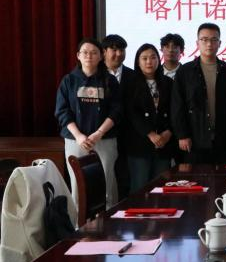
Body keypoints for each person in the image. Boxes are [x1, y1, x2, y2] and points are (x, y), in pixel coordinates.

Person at [55, 38, 120, 209]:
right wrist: (78, 136)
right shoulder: (69, 80)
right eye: (85, 52)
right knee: (78, 187)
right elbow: (62, 111)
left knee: (106, 186)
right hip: (76, 141)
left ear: (101, 56)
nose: (89, 56)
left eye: (93, 53)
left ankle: (108, 221)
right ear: (78, 55)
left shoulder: (110, 81)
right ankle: (80, 223)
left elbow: (117, 111)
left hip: (104, 139)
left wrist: (99, 133)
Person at [171, 23, 226, 164]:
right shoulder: (185, 71)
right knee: (195, 177)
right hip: (194, 140)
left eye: (214, 40)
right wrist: (182, 135)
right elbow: (177, 106)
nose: (209, 44)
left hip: (223, 140)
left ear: (220, 43)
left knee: (223, 177)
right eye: (204, 39)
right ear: (197, 43)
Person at [125, 44, 174, 192]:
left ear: (159, 60)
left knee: (161, 188)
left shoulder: (168, 83)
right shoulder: (130, 83)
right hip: (139, 145)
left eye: (153, 58)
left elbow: (175, 110)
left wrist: (169, 132)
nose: (149, 62)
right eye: (144, 58)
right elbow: (131, 113)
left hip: (164, 145)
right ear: (138, 61)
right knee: (140, 188)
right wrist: (151, 134)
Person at [102, 34, 135, 200]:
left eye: (122, 50)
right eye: (114, 50)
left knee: (125, 178)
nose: (119, 54)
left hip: (128, 136)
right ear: (104, 52)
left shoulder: (133, 75)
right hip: (103, 136)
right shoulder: (95, 75)